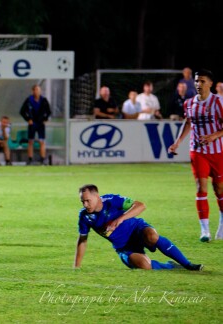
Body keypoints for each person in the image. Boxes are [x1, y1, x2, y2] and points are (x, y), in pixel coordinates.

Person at [74, 184, 202, 271]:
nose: (85, 204)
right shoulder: (84, 216)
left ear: (97, 197)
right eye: (82, 202)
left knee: (152, 236)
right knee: (145, 266)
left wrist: (120, 219)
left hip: (137, 230)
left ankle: (187, 265)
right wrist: (77, 267)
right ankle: (170, 266)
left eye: (87, 200)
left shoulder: (112, 200)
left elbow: (141, 205)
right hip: (124, 247)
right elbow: (82, 241)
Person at [168, 69, 223, 242]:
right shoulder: (189, 103)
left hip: (217, 152)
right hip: (197, 151)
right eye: (197, 81)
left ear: (210, 83)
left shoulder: (219, 102)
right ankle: (204, 230)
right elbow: (188, 122)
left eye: (202, 81)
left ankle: (222, 223)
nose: (198, 84)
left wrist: (214, 136)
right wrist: (177, 142)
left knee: (219, 189)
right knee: (201, 187)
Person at [19, 84, 52, 165]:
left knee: (42, 142)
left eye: (38, 90)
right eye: (36, 90)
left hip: (40, 123)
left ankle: (42, 159)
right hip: (32, 123)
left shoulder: (43, 100)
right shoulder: (29, 100)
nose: (37, 91)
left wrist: (45, 119)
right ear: (33, 91)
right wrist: (28, 119)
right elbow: (22, 111)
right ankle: (30, 159)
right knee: (30, 142)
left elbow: (49, 111)